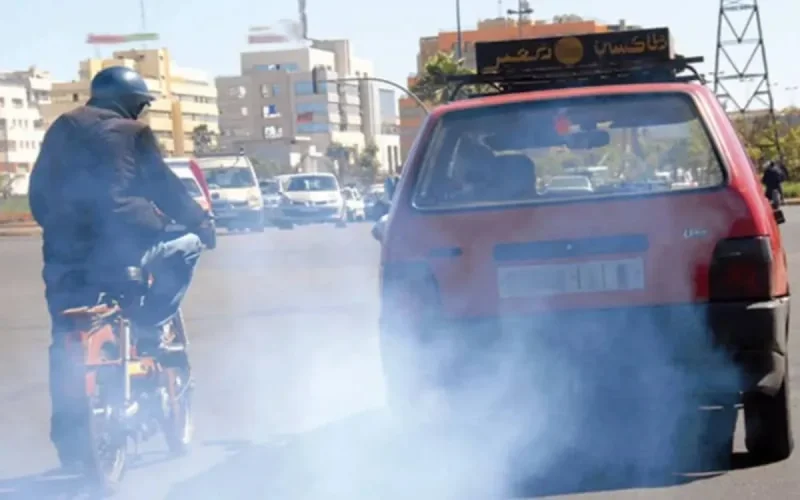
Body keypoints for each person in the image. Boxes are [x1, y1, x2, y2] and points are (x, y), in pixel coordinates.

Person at [28, 66, 216, 468]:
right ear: (131, 103)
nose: (140, 114)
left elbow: (38, 193)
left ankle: (69, 438)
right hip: (126, 251)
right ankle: (149, 324)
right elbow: (162, 185)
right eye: (140, 106)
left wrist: (64, 234)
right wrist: (200, 221)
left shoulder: (61, 128)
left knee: (65, 341)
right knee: (187, 247)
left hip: (64, 260)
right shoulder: (134, 134)